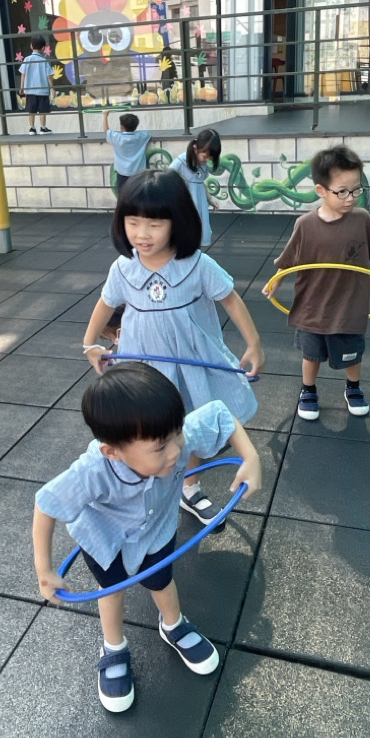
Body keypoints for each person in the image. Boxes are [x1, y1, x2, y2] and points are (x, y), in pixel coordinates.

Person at [33, 362, 261, 712]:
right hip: (105, 539)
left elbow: (221, 415)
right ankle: (113, 646)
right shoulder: (93, 471)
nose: (176, 451)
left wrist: (251, 457)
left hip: (156, 532)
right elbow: (46, 504)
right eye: (160, 447)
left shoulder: (172, 437)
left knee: (161, 580)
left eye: (177, 434)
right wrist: (45, 570)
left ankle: (173, 624)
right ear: (113, 451)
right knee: (112, 591)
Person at [82, 169, 265, 526]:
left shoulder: (196, 265)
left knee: (187, 424)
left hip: (190, 363)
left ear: (177, 221)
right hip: (145, 368)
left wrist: (254, 343)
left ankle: (189, 487)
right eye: (133, 223)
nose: (142, 234)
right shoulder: (123, 268)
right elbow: (106, 303)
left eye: (154, 224)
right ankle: (147, 489)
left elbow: (230, 298)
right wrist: (89, 343)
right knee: (146, 428)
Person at [263, 145, 370, 421]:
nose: (351, 198)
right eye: (342, 191)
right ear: (321, 190)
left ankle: (353, 387)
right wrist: (276, 281)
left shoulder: (362, 219)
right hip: (312, 306)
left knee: (352, 353)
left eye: (356, 190)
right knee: (311, 354)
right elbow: (289, 258)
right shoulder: (305, 224)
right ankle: (308, 390)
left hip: (349, 305)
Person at [169, 129, 222, 248]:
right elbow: (166, 180)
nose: (207, 160)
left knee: (198, 233)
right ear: (195, 148)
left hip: (199, 205)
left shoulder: (203, 165)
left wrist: (210, 199)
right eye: (205, 156)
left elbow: (201, 182)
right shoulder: (180, 162)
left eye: (210, 158)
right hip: (185, 206)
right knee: (185, 235)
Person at [103, 109, 151, 191]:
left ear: (122, 126)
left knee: (123, 195)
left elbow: (107, 131)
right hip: (138, 173)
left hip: (122, 173)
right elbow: (147, 133)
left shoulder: (117, 137)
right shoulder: (142, 136)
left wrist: (105, 115)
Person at [18, 34, 54, 134]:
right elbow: (49, 75)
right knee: (42, 110)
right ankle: (43, 127)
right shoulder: (44, 61)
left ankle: (32, 128)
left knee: (31, 110)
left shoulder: (27, 59)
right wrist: (52, 88)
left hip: (30, 89)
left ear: (31, 46)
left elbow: (23, 74)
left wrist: (22, 87)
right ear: (43, 48)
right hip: (42, 90)